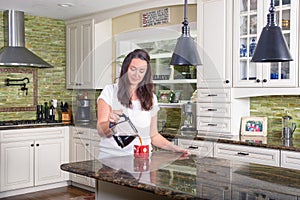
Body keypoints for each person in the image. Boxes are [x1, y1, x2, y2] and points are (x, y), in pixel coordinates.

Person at [97, 49, 190, 159]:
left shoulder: (151, 98)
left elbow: (154, 135)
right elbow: (100, 130)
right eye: (133, 69)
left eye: (141, 71)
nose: (137, 74)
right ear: (125, 69)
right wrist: (110, 123)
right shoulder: (110, 91)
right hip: (113, 159)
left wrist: (174, 148)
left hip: (142, 161)